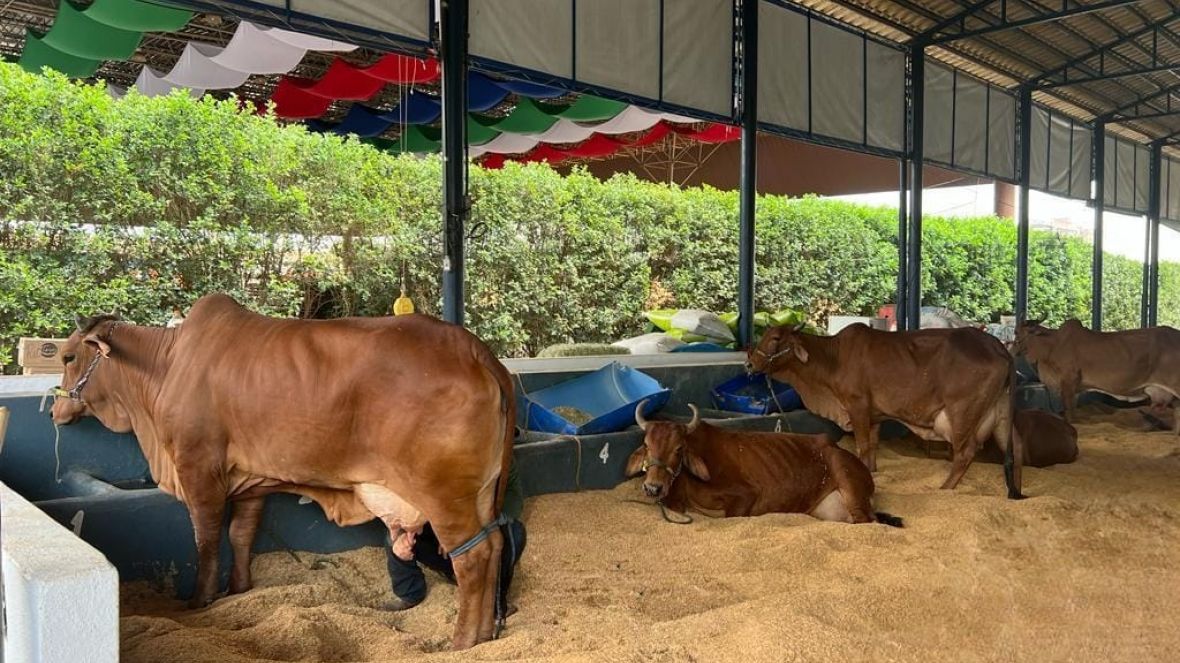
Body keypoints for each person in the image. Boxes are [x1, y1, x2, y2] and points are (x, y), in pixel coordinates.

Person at [385, 460, 526, 618]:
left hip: (481, 530)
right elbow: (420, 500)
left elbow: (514, 499)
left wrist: (463, 530)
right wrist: (437, 530)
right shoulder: (436, 455)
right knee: (397, 539)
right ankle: (410, 594)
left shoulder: (502, 455)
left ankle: (493, 602)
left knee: (515, 532)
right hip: (440, 531)